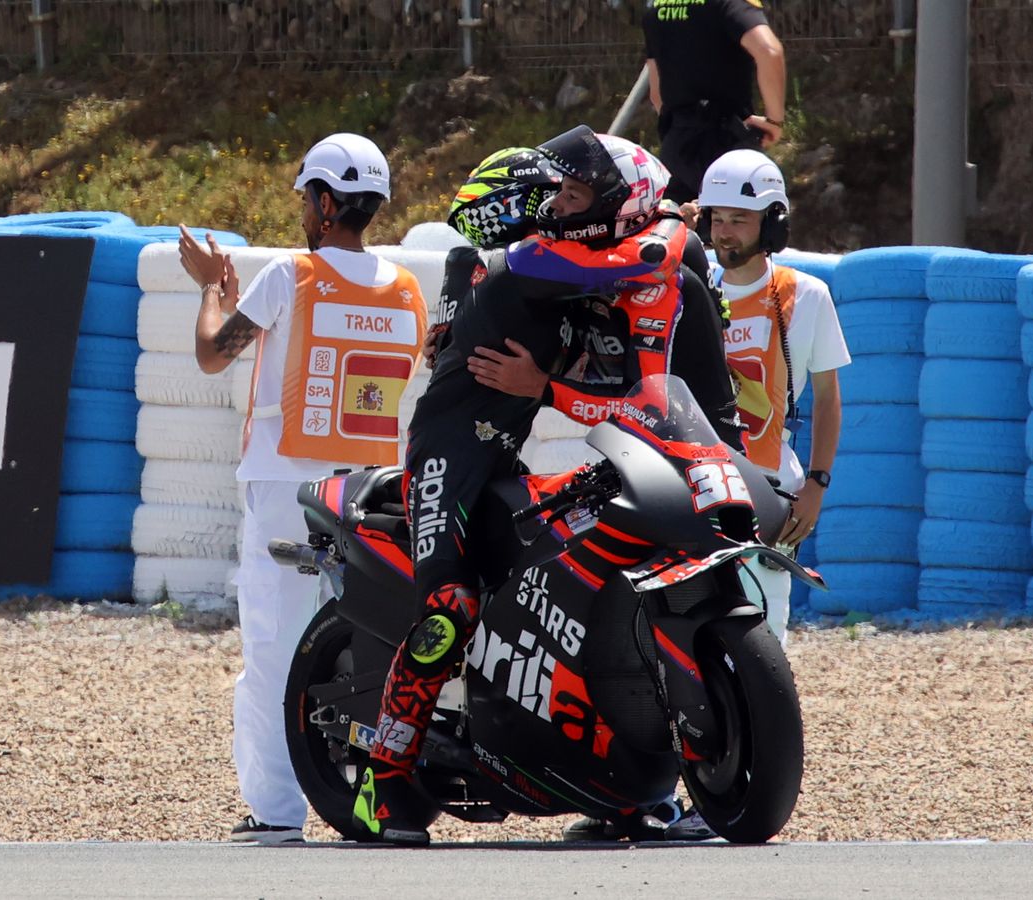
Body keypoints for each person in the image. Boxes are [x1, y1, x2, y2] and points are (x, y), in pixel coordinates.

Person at [353, 127, 738, 845]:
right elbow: (632, 260)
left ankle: (613, 787)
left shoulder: (557, 268)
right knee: (449, 607)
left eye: (570, 194)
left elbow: (633, 326)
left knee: (575, 588)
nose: (560, 206)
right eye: (553, 196)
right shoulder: (518, 265)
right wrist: (667, 226)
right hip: (446, 459)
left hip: (503, 461)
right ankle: (384, 773)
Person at [180, 132, 427, 844]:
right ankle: (370, 794)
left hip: (285, 488)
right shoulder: (407, 288)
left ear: (324, 203)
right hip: (370, 493)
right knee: (362, 645)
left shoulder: (290, 274)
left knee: (274, 648)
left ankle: (278, 811)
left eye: (305, 200)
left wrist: (211, 291)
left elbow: (210, 352)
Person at [697, 148, 847, 645]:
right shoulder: (687, 289)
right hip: (693, 483)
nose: (724, 232)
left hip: (769, 488)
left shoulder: (807, 296)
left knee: (764, 631)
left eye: (739, 220)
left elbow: (828, 397)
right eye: (716, 219)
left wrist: (817, 486)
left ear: (773, 225)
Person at [642, 0, 787, 203]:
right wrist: (775, 121)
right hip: (726, 145)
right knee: (740, 229)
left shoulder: (656, 6)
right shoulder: (732, 3)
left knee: (677, 231)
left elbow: (656, 94)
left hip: (675, 148)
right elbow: (769, 51)